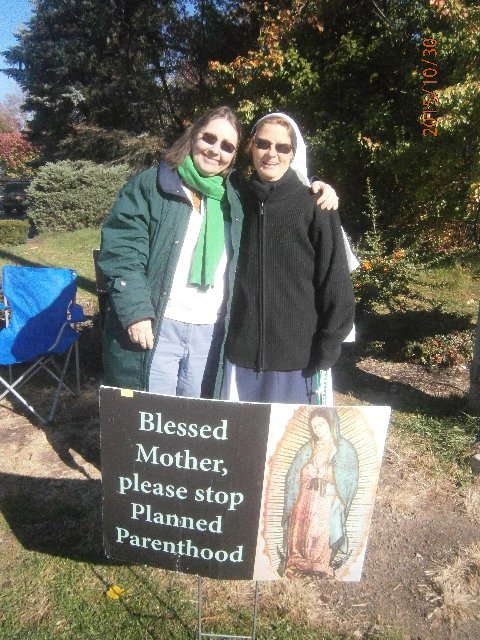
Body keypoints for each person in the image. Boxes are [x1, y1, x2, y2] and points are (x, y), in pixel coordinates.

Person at [98, 106, 339, 396]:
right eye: (209, 138)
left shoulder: (235, 197)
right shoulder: (153, 185)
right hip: (159, 324)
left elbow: (280, 195)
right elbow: (123, 250)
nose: (215, 150)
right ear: (193, 136)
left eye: (227, 146)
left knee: (197, 416)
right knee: (155, 413)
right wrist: (136, 311)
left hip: (210, 334)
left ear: (235, 155)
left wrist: (317, 186)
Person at [220, 113, 356, 404]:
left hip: (298, 362)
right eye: (263, 144)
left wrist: (327, 350)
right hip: (241, 356)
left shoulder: (315, 205)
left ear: (293, 153)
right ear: (251, 147)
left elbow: (336, 283)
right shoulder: (237, 198)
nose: (272, 153)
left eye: (282, 147)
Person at [280, 408, 359, 578]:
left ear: (331, 424)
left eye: (321, 424)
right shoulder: (307, 448)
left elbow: (348, 477)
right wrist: (308, 472)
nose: (317, 429)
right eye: (314, 426)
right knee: (301, 528)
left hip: (326, 499)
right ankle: (297, 562)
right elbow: (294, 474)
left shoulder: (343, 449)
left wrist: (328, 474)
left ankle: (320, 564)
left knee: (319, 530)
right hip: (304, 497)